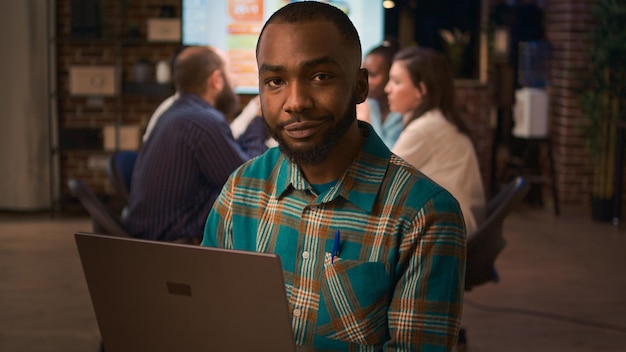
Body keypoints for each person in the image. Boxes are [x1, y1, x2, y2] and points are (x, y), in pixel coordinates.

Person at [202, 2, 466, 350]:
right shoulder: (241, 190)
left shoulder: (424, 215)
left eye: (320, 76)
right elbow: (205, 319)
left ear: (359, 86)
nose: (295, 101)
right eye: (275, 81)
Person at [123, 46, 267, 244]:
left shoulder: (174, 112)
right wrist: (259, 122)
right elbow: (247, 179)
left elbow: (230, 157)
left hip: (148, 234)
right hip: (173, 244)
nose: (235, 80)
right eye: (230, 72)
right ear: (216, 80)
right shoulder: (204, 121)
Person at [386, 46, 486, 234]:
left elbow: (381, 180)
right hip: (454, 224)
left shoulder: (425, 128)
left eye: (396, 82)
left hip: (447, 230)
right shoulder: (437, 120)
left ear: (421, 90)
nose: (387, 88)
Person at [357, 39, 403, 148]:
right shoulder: (366, 104)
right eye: (363, 73)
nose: (364, 80)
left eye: (372, 75)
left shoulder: (404, 111)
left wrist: (367, 123)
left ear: (391, 75)